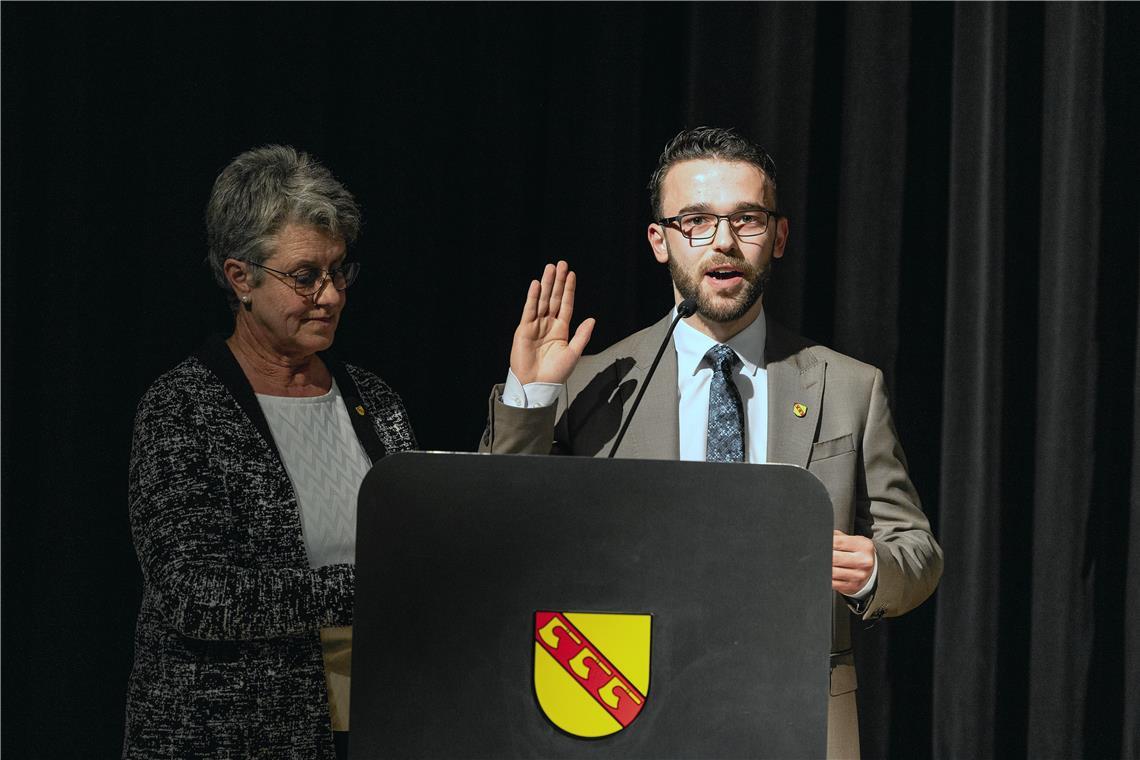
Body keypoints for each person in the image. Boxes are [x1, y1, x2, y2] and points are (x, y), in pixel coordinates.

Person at [478, 126, 942, 759]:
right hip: (628, 708)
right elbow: (498, 532)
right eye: (695, 221)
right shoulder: (593, 384)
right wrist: (531, 397)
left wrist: (873, 571)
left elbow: (916, 549)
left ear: (778, 237)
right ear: (660, 241)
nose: (723, 242)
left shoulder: (849, 387)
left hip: (798, 710)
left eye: (746, 220)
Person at [123, 145, 415, 760]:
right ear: (240, 278)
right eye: (305, 276)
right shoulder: (182, 407)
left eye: (338, 272)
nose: (330, 295)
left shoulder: (375, 400)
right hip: (223, 738)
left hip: (365, 728)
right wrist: (371, 589)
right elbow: (194, 595)